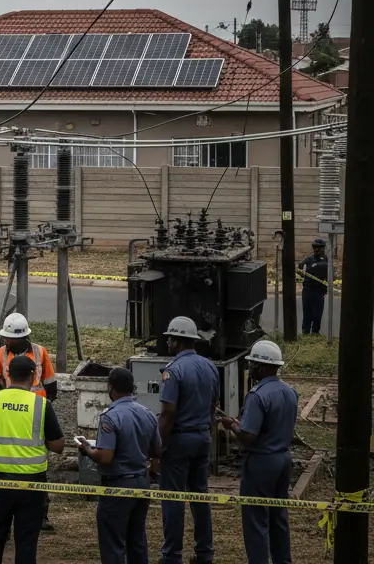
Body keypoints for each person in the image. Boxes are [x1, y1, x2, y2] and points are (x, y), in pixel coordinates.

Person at [0, 354, 66, 564]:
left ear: (8, 375)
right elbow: (58, 445)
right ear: (32, 376)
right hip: (31, 486)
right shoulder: (41, 405)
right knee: (26, 543)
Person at [218, 340, 298, 564]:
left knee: (256, 519)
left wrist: (232, 426)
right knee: (278, 516)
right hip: (283, 459)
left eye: (252, 365)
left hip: (262, 461)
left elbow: (249, 436)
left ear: (262, 368)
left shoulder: (257, 395)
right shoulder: (290, 392)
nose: (250, 369)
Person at [77, 367, 161, 564]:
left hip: (118, 487)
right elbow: (156, 450)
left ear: (111, 388)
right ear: (132, 388)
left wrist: (88, 450)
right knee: (137, 539)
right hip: (141, 483)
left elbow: (105, 457)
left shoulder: (110, 416)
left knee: (113, 543)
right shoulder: (148, 413)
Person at [156, 315, 219, 564]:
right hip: (202, 437)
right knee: (200, 496)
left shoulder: (173, 371)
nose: (168, 343)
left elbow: (168, 413)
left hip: (180, 440)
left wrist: (158, 449)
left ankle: (172, 556)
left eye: (170, 338)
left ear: (176, 341)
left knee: (173, 498)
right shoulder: (210, 367)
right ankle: (205, 553)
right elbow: (214, 406)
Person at [0, 312, 59, 529]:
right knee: (7, 466)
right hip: (10, 417)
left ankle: (41, 514)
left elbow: (51, 387)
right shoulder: (1, 354)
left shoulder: (40, 353)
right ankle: (7, 515)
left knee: (36, 467)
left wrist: (39, 411)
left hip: (34, 419)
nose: (6, 340)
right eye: (5, 337)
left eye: (10, 337)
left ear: (23, 337)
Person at [299, 238, 329, 335]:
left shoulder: (327, 260)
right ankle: (305, 332)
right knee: (307, 311)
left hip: (319, 290)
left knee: (317, 313)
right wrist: (304, 277)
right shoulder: (308, 260)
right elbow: (299, 269)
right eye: (315, 247)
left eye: (319, 248)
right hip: (308, 289)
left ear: (323, 248)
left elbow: (330, 275)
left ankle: (315, 332)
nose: (316, 249)